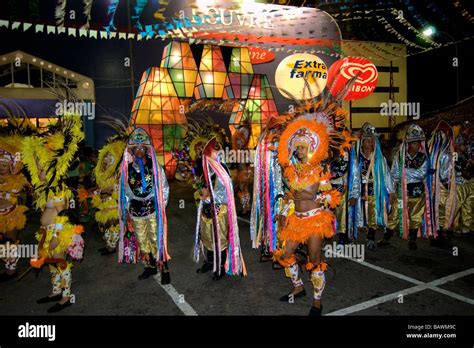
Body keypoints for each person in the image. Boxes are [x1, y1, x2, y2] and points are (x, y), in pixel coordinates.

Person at [273, 106, 351, 316]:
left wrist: (312, 197)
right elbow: (291, 197)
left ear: (311, 148)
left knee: (314, 259)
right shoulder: (292, 172)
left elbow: (332, 198)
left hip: (316, 219)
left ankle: (317, 302)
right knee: (285, 254)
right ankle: (298, 287)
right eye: (297, 147)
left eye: (302, 147)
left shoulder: (320, 170)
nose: (299, 151)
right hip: (296, 220)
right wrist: (283, 213)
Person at [21, 115, 85, 312]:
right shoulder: (45, 188)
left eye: (42, 167)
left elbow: (61, 214)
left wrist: (57, 236)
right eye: (38, 166)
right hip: (47, 231)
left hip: (59, 232)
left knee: (61, 263)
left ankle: (66, 297)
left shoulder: (58, 189)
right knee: (52, 265)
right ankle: (56, 290)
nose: (39, 170)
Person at [118, 127, 170, 284]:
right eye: (136, 148)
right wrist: (126, 211)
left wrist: (162, 206)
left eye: (142, 147)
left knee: (156, 239)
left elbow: (164, 187)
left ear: (147, 149)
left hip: (153, 209)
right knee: (142, 241)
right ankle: (150, 266)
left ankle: (164, 269)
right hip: (135, 211)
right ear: (133, 150)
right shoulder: (127, 169)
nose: (139, 150)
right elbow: (125, 192)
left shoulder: (155, 168)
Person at [193, 137, 247, 280]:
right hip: (206, 212)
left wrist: (208, 197)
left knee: (219, 240)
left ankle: (221, 267)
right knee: (207, 237)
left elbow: (224, 195)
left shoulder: (221, 173)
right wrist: (201, 194)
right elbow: (202, 189)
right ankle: (210, 262)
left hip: (219, 212)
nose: (204, 160)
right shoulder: (206, 173)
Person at [386, 124, 433, 250]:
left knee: (415, 215)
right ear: (408, 144)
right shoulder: (400, 156)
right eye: (413, 143)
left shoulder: (423, 157)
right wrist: (396, 185)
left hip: (417, 192)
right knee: (395, 212)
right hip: (401, 192)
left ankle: (412, 239)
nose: (416, 146)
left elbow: (421, 174)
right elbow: (394, 173)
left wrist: (404, 172)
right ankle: (387, 236)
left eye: (418, 143)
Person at [351, 123, 394, 251]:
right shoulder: (356, 158)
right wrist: (353, 194)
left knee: (373, 215)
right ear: (362, 142)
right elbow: (353, 177)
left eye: (372, 141)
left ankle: (371, 238)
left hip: (375, 190)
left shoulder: (380, 159)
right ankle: (351, 237)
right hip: (360, 190)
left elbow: (386, 175)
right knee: (359, 215)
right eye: (367, 141)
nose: (370, 143)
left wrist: (390, 192)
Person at [0, 134, 29, 281]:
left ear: (11, 166)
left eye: (4, 165)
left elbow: (14, 196)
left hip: (11, 215)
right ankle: (7, 265)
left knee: (9, 242)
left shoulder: (16, 181)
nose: (1, 168)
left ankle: (11, 270)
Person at [92, 138, 126, 255]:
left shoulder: (116, 174)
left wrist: (106, 191)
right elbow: (100, 186)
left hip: (112, 203)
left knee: (113, 225)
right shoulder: (101, 173)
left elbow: (117, 189)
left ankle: (111, 247)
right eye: (105, 157)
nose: (106, 159)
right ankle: (108, 245)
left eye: (109, 157)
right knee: (104, 225)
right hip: (102, 204)